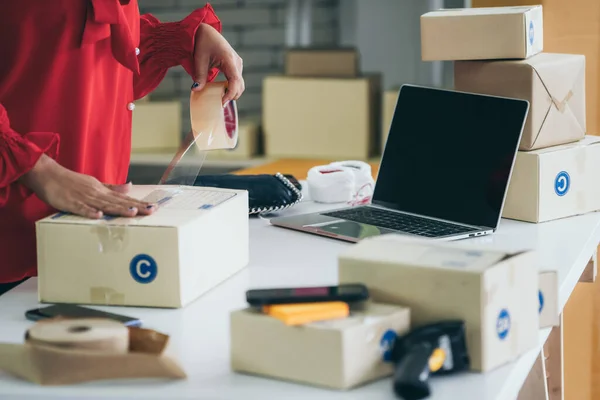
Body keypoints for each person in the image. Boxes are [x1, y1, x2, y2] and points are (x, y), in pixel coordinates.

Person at [0, 1, 244, 294]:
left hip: (92, 232)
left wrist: (187, 38)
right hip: (12, 234)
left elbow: (86, 64)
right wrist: (37, 169)